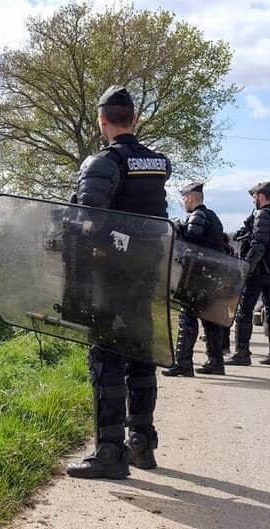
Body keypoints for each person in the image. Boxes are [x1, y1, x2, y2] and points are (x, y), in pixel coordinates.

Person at [65, 85, 171, 480]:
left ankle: (110, 451)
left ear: (102, 120)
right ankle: (142, 442)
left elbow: (85, 220)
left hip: (110, 277)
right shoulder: (159, 162)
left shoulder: (103, 161)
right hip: (146, 276)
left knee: (106, 359)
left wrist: (75, 279)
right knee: (141, 356)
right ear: (134, 119)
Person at [162, 182, 226, 377]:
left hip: (198, 276)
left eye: (184, 198)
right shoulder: (212, 216)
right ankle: (216, 362)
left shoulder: (197, 216)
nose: (183, 202)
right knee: (210, 319)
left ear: (191, 197)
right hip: (213, 277)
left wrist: (179, 231)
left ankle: (183, 364)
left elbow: (191, 244)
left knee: (187, 318)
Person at [226, 181, 270, 367]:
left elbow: (259, 245)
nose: (253, 200)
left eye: (254, 197)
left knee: (244, 312)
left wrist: (246, 267)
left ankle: (242, 353)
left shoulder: (262, 214)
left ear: (260, 196)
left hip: (258, 271)